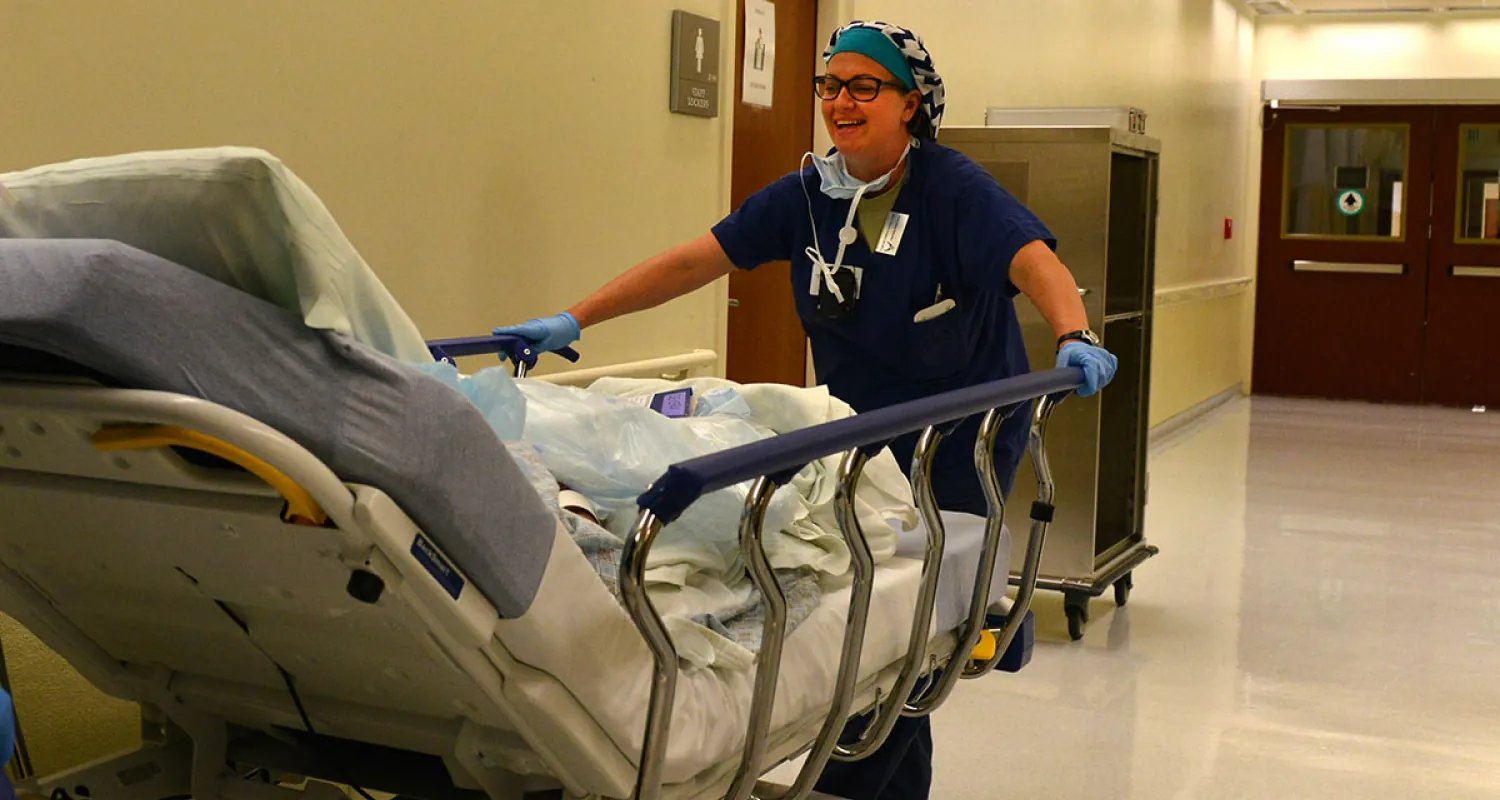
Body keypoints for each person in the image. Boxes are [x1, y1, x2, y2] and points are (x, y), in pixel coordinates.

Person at [495, 19, 1118, 800]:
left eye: (865, 87)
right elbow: (696, 259)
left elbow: (1036, 262)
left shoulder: (951, 190)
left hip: (952, 449)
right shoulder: (806, 197)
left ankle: (869, 780)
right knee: (877, 652)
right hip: (854, 443)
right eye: (830, 85)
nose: (841, 102)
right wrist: (574, 319)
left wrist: (1074, 332)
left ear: (912, 104)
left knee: (905, 639)